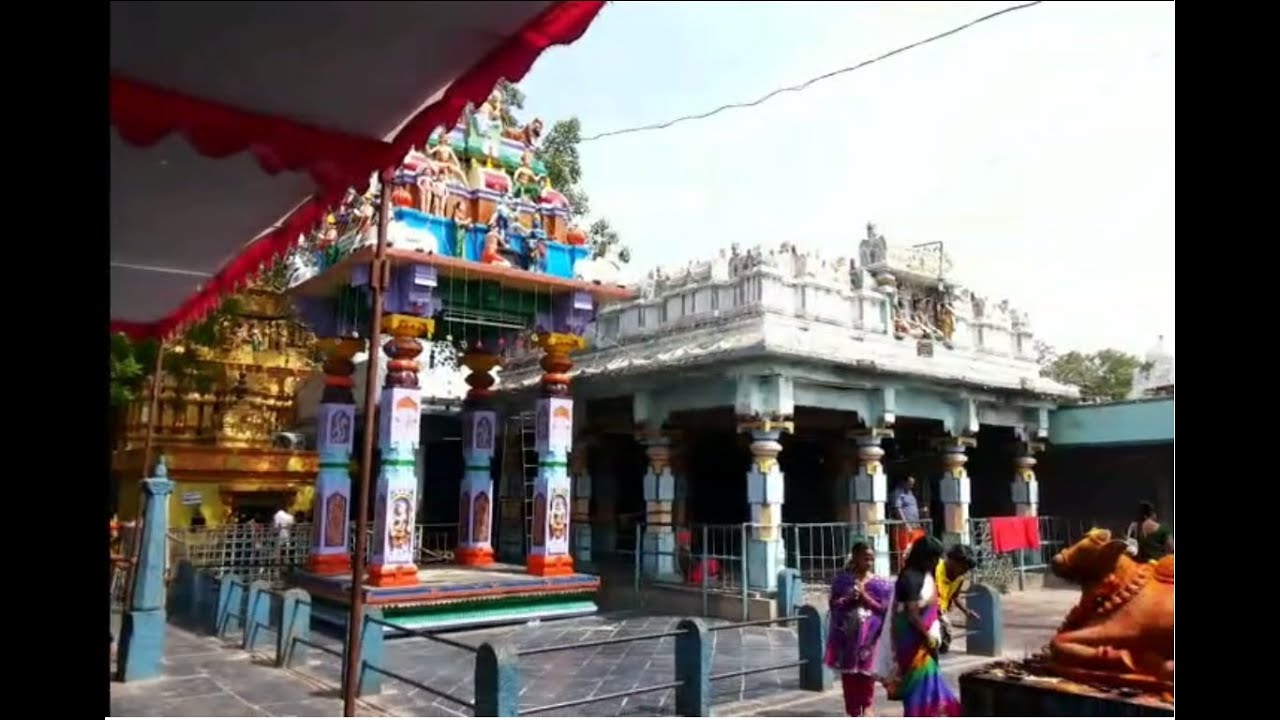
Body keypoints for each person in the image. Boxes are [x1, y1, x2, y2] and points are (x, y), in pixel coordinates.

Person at [873, 536, 961, 717]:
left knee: (930, 687)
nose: (937, 562)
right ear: (923, 557)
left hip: (923, 642)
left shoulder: (924, 575)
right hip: (913, 644)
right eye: (933, 558)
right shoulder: (910, 578)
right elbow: (912, 616)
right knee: (920, 688)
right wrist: (928, 636)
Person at [826, 542, 893, 717]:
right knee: (849, 676)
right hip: (847, 637)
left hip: (869, 638)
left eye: (872, 558)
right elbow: (833, 605)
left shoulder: (880, 584)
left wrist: (865, 598)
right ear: (855, 557)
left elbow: (885, 609)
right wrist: (848, 598)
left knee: (867, 674)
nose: (869, 562)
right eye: (865, 558)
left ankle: (868, 706)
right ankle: (853, 710)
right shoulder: (842, 581)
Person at [935, 544, 978, 654]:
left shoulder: (960, 578)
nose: (964, 571)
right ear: (951, 560)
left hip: (941, 613)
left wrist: (966, 611)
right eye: (963, 567)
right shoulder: (935, 569)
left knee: (944, 644)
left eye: (967, 569)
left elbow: (955, 596)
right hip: (928, 613)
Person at [888, 477, 926, 570]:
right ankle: (905, 569)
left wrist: (921, 512)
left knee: (917, 548)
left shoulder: (910, 493)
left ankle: (917, 567)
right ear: (903, 482)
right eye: (910, 483)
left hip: (915, 526)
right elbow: (898, 509)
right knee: (905, 549)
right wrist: (905, 524)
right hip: (904, 528)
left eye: (913, 484)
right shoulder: (898, 493)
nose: (911, 486)